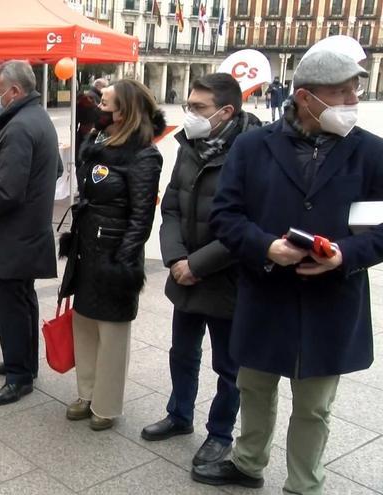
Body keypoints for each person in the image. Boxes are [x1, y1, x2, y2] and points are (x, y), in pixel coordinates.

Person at [192, 50, 383, 494]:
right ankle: (247, 462)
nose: (354, 98)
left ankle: (304, 484)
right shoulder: (253, 145)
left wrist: (345, 255)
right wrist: (266, 247)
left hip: (332, 301)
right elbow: (225, 215)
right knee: (254, 387)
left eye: (355, 89)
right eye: (341, 92)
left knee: (315, 406)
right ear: (304, 97)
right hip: (265, 293)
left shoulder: (371, 152)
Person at [141, 73, 262, 466]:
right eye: (188, 105)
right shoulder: (190, 145)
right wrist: (176, 259)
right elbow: (171, 205)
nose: (189, 114)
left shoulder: (254, 152)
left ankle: (221, 433)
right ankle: (179, 415)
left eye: (198, 108)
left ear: (226, 112)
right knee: (182, 352)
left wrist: (198, 264)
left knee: (228, 364)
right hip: (185, 271)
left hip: (227, 276)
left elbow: (249, 222)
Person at [60, 79, 165, 430]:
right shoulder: (98, 142)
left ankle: (105, 405)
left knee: (112, 333)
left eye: (104, 104)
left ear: (123, 113)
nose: (96, 108)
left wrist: (123, 260)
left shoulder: (144, 155)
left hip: (115, 253)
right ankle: (85, 393)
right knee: (85, 323)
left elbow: (142, 218)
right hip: (87, 247)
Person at [0, 60, 58, 405]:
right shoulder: (36, 116)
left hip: (15, 235)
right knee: (23, 302)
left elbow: (8, 191)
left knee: (11, 305)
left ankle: (19, 377)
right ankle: (23, 363)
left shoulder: (21, 125)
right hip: (28, 231)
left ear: (14, 91)